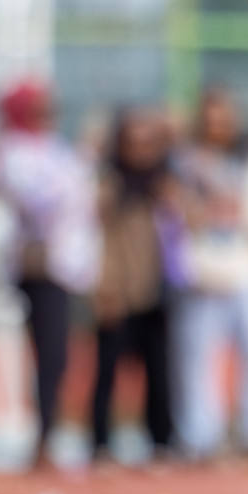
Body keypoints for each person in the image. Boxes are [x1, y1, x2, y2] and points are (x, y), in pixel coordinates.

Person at [0, 80, 100, 469]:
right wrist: (82, 166)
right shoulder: (10, 151)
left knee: (60, 355)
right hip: (40, 265)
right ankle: (43, 435)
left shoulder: (53, 147)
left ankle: (49, 431)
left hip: (69, 266)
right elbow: (40, 201)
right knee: (50, 352)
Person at [175, 88, 248, 459]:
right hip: (204, 269)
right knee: (201, 355)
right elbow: (182, 215)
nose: (218, 125)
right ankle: (201, 437)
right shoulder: (185, 164)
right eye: (211, 119)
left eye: (225, 118)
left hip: (247, 266)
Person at [90, 107, 180, 462]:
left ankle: (161, 441)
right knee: (108, 372)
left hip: (156, 291)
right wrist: (107, 287)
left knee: (159, 373)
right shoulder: (111, 186)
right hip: (119, 293)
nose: (142, 151)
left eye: (149, 144)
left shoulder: (164, 186)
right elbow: (101, 240)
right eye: (134, 143)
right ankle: (101, 443)